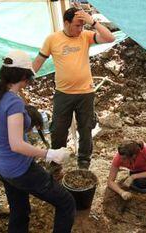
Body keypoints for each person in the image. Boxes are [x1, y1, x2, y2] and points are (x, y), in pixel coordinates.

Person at [0, 50, 76, 233]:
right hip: (20, 170)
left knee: (19, 210)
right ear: (24, 76)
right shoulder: (14, 104)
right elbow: (17, 144)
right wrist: (50, 153)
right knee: (66, 202)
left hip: (3, 168)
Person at [32, 7, 115, 172]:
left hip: (86, 93)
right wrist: (23, 79)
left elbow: (110, 37)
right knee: (58, 129)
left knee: (85, 129)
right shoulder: (52, 39)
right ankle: (56, 163)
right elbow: (39, 61)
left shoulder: (85, 36)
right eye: (77, 25)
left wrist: (92, 21)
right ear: (66, 23)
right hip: (63, 94)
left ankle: (84, 163)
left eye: (83, 25)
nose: (80, 29)